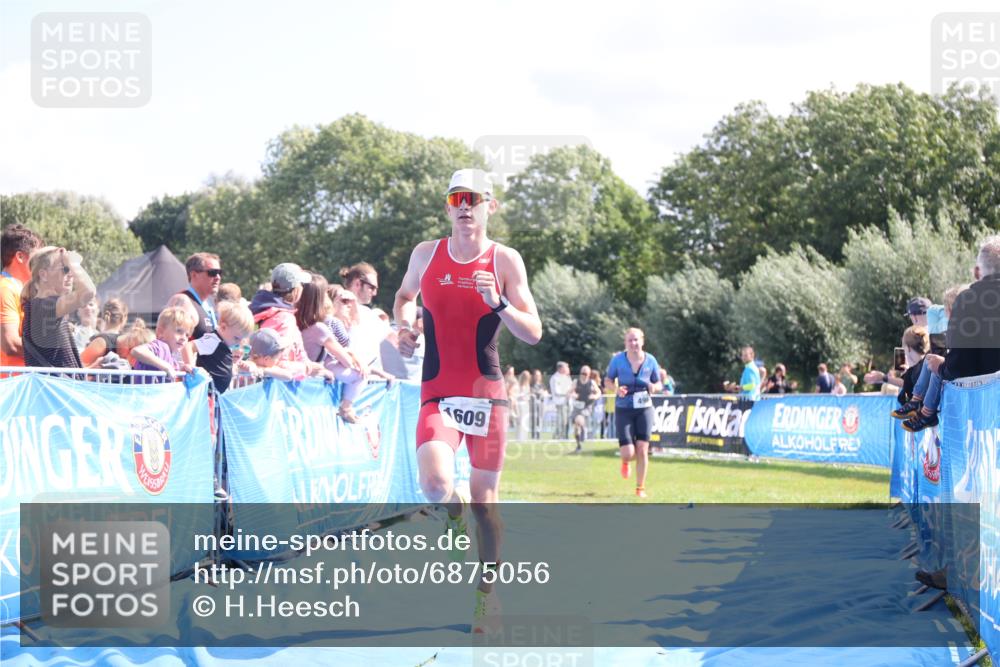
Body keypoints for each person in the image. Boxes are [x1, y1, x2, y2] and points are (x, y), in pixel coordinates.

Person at [394, 168, 542, 631]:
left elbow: (534, 332)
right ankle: (449, 509)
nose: (463, 206)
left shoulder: (505, 260)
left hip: (487, 395)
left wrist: (499, 303)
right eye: (456, 198)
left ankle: (487, 594)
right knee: (435, 485)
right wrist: (404, 325)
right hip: (438, 390)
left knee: (486, 503)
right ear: (448, 206)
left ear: (489, 206)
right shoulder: (426, 254)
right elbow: (403, 296)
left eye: (472, 199)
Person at [904, 235, 1000, 431]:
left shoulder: (968, 300)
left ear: (976, 272)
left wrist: (942, 367)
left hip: (984, 413)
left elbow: (960, 363)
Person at [299, 277, 367, 422]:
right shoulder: (320, 328)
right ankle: (346, 408)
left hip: (302, 373)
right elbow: (347, 361)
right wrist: (356, 359)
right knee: (361, 375)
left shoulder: (296, 320)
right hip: (312, 374)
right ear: (321, 299)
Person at [605, 328, 663, 498]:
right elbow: (607, 380)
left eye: (636, 340)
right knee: (628, 453)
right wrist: (616, 389)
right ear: (625, 343)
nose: (633, 343)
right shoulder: (617, 360)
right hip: (624, 408)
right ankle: (625, 462)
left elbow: (659, 382)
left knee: (642, 449)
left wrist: (654, 387)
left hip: (644, 407)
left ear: (642, 341)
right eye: (630, 340)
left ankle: (640, 488)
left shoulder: (651, 360)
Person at [21, 247, 96, 369]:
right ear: (44, 275)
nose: (71, 274)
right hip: (52, 387)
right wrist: (74, 263)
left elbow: (59, 363)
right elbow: (88, 292)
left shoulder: (41, 307)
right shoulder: (43, 307)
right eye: (66, 269)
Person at [1, 224, 43, 371]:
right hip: (9, 387)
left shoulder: (20, 289)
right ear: (20, 257)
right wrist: (49, 354)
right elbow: (10, 344)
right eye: (38, 257)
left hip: (21, 384)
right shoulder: (4, 289)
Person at [341, 262, 393, 378]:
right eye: (372, 287)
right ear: (358, 283)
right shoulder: (338, 308)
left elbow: (396, 340)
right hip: (349, 381)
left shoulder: (370, 314)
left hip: (368, 383)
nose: (375, 293)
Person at [131, 306, 197, 381]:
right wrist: (165, 366)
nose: (184, 338)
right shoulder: (160, 346)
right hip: (144, 392)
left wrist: (182, 371)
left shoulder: (173, 360)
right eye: (179, 331)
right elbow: (137, 351)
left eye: (187, 335)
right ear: (160, 332)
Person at [81, 298, 129, 367]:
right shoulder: (129, 341)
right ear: (124, 318)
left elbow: (79, 367)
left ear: (103, 315)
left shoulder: (100, 341)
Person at [570, 365, 601, 453]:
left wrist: (594, 396)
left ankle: (583, 428)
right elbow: (569, 392)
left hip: (586, 408)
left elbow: (599, 392)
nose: (583, 375)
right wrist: (572, 394)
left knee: (578, 421)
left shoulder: (592, 383)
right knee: (576, 427)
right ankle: (579, 445)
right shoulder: (576, 382)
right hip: (577, 407)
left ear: (589, 374)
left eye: (585, 373)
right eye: (582, 373)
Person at [549, 361, 573, 438]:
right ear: (561, 368)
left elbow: (571, 388)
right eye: (566, 367)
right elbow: (557, 391)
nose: (568, 369)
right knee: (562, 421)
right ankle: (558, 435)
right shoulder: (555, 378)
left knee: (567, 420)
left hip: (568, 402)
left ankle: (564, 435)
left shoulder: (566, 377)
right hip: (560, 402)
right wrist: (567, 393)